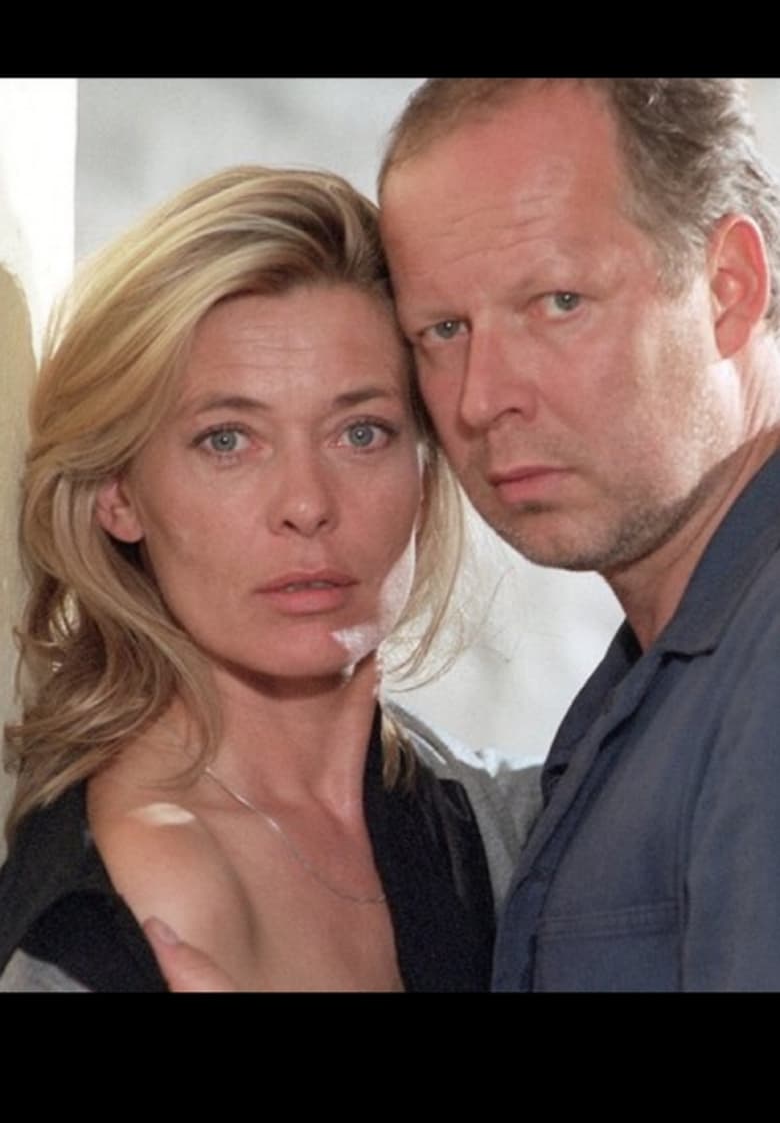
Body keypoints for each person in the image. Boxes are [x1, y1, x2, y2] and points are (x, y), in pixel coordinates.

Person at [0, 164, 540, 993]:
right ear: (118, 494)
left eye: (361, 432)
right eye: (227, 440)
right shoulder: (91, 925)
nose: (307, 505)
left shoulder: (531, 832)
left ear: (428, 468)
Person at [376, 77, 780, 991]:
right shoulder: (665, 669)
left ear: (728, 290)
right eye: (443, 329)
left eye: (558, 302)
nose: (481, 399)